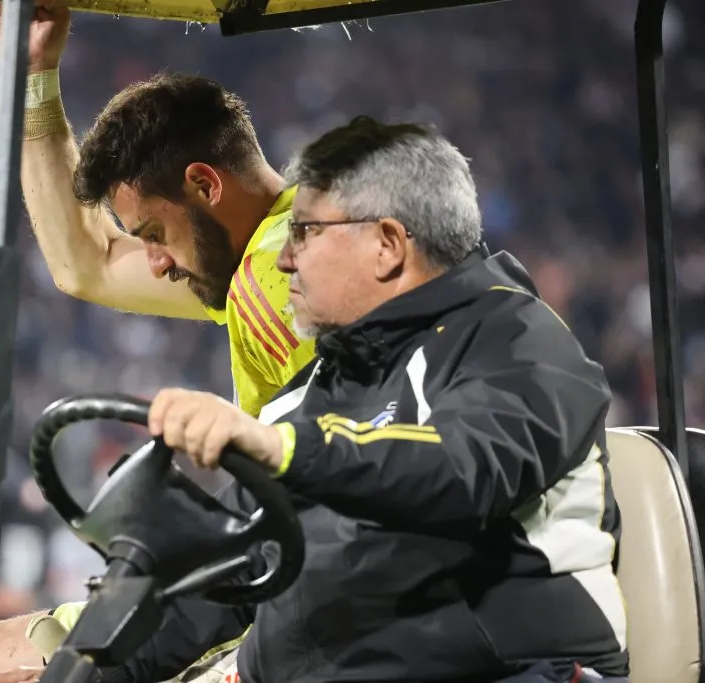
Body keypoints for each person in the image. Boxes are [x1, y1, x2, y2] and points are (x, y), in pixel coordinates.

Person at [78, 116, 628, 683]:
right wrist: (80, 667)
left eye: (305, 234)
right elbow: (222, 575)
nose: (285, 259)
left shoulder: (515, 339)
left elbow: (461, 467)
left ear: (387, 245)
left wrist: (282, 448)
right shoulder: (314, 393)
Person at [0, 3, 318, 678]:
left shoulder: (284, 279)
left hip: (303, 604)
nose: (158, 263)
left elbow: (330, 520)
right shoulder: (257, 260)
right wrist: (32, 79)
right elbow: (87, 261)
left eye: (154, 236)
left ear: (203, 183)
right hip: (264, 580)